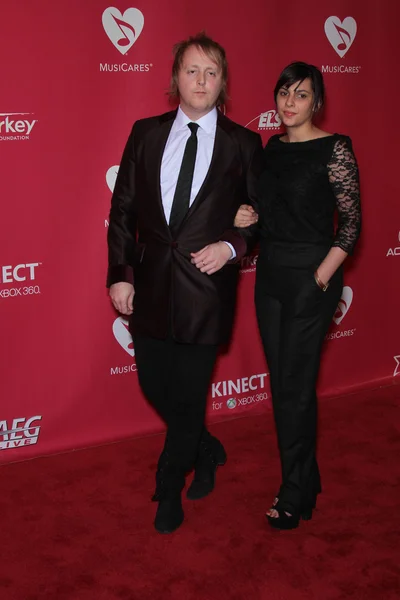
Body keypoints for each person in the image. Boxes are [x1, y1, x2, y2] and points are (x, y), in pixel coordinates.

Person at [107, 33, 263, 534]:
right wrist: (120, 275)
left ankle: (169, 486)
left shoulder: (244, 143)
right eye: (192, 70)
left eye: (211, 72)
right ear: (175, 78)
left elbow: (260, 216)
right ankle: (204, 447)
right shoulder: (146, 132)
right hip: (149, 287)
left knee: (191, 394)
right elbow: (122, 211)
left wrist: (234, 246)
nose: (201, 81)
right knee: (155, 384)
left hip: (207, 291)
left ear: (223, 83)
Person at [235, 62, 361, 530]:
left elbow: (351, 225)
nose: (290, 103)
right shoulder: (270, 149)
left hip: (314, 277)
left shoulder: (335, 149)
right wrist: (250, 218)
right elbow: (273, 218)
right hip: (270, 278)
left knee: (295, 386)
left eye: (301, 95)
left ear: (317, 102)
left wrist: (322, 278)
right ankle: (306, 476)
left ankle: (293, 492)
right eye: (284, 93)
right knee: (285, 386)